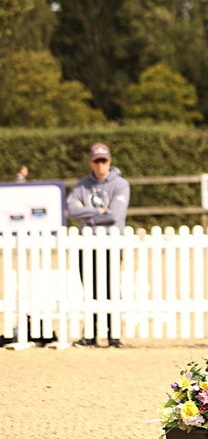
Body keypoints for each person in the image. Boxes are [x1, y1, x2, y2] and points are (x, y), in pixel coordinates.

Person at [66, 143, 130, 347]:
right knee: (90, 288)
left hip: (111, 242)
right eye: (96, 160)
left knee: (111, 287)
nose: (100, 164)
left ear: (109, 161)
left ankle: (114, 335)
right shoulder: (81, 185)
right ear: (90, 162)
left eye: (103, 160)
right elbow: (71, 211)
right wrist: (98, 211)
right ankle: (91, 334)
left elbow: (115, 214)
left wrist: (87, 213)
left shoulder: (120, 184)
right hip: (87, 243)